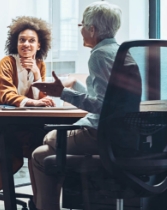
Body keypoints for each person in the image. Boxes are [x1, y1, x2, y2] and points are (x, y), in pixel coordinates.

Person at [31, 1, 125, 210]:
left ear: (92, 29)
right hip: (124, 136)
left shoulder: (99, 55)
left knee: (48, 139)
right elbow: (111, 97)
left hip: (101, 135)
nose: (80, 30)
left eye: (81, 25)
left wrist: (62, 93)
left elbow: (103, 105)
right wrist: (73, 87)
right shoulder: (122, 53)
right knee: (41, 154)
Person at [0, 16, 53, 203]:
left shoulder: (40, 65)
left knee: (43, 141)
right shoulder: (7, 63)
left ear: (39, 44)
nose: (26, 44)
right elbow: (6, 95)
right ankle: (25, 202)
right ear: (15, 43)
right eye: (22, 40)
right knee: (28, 142)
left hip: (25, 124)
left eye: (31, 40)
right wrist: (33, 103)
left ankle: (39, 202)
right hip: (0, 124)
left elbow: (42, 98)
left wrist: (36, 74)